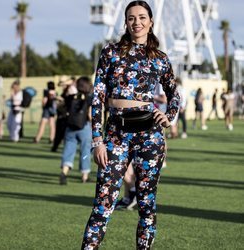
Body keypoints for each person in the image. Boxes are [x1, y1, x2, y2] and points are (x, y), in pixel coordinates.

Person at [81, 1, 180, 249]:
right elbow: (97, 99)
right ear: (125, 22)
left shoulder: (160, 59)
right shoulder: (111, 53)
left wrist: (169, 115)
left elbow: (174, 93)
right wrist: (97, 141)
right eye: (132, 18)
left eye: (142, 17)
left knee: (147, 205)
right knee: (103, 204)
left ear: (151, 21)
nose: (137, 22)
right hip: (115, 135)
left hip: (150, 136)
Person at [59, 76, 93, 185]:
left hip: (70, 127)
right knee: (85, 152)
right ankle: (85, 175)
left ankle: (64, 172)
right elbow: (90, 114)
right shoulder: (89, 98)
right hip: (84, 127)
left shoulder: (71, 97)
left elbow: (61, 105)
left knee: (68, 150)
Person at [51, 76, 76, 152]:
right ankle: (55, 147)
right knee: (60, 132)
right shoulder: (66, 90)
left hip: (66, 114)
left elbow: (71, 102)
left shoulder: (71, 90)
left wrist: (61, 99)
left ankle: (62, 148)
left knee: (64, 133)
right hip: (62, 114)